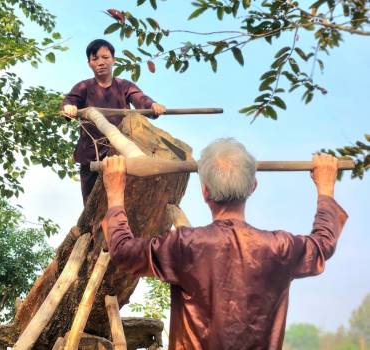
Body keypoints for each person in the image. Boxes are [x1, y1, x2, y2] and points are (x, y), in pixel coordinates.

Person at [101, 138, 348, 350]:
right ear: (253, 186)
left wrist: (114, 193)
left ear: (205, 191)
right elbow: (322, 244)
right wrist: (325, 189)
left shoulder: (185, 245)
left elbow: (123, 251)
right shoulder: (279, 248)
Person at [62, 39, 166, 204]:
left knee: (123, 199)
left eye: (105, 57)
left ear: (113, 60)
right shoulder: (83, 87)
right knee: (91, 204)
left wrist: (153, 106)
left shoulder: (124, 86)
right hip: (91, 153)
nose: (101, 62)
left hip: (120, 151)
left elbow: (140, 99)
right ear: (89, 63)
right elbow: (69, 101)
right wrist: (69, 108)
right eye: (95, 59)